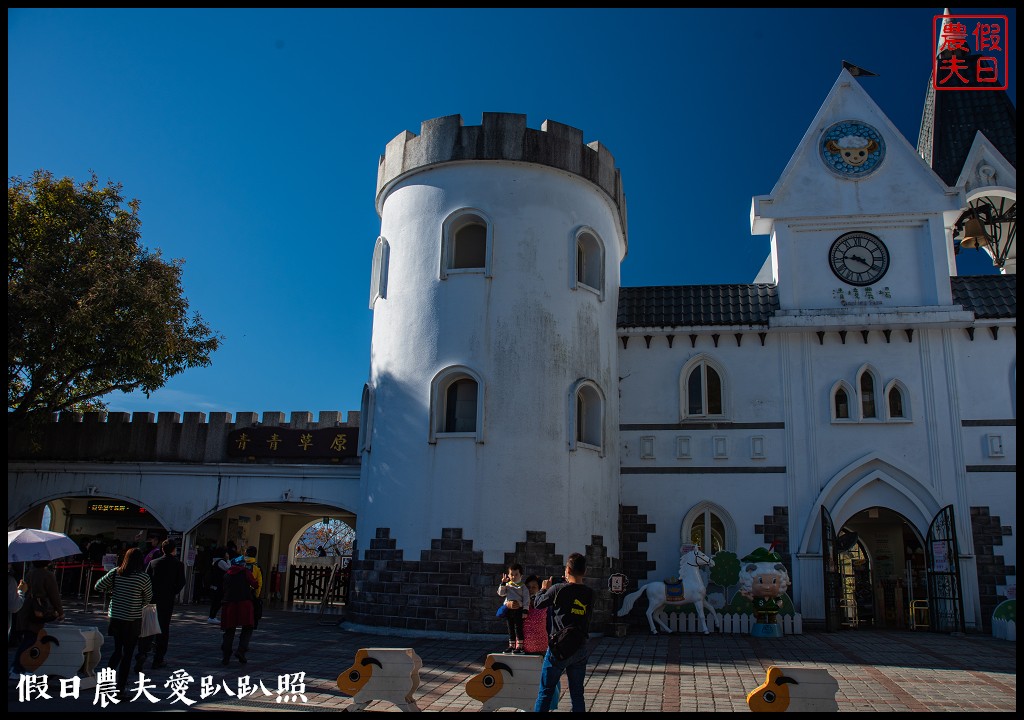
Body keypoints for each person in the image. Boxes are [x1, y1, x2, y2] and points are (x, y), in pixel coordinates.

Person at [533, 552, 594, 712]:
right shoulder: (590, 593)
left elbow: (538, 604)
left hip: (558, 648)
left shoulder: (558, 589)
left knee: (545, 692)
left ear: (567, 570)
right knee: (577, 694)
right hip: (580, 646)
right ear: (585, 571)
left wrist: (543, 589)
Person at [94, 547, 153, 695]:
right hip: (132, 618)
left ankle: (106, 682)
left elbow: (98, 586)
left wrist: (112, 591)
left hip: (116, 617)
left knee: (117, 650)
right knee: (128, 653)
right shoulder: (143, 577)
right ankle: (120, 687)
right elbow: (148, 598)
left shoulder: (115, 573)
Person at [134, 539, 186, 671]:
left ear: (162, 549)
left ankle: (142, 653)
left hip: (151, 599)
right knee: (163, 629)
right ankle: (158, 658)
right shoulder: (178, 564)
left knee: (147, 629)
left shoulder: (153, 562)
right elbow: (181, 582)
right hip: (166, 600)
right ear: (174, 550)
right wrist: (172, 592)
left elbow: (146, 580)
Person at [12, 560, 64, 676]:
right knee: (30, 639)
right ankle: (18, 667)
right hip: (38, 609)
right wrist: (60, 612)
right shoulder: (48, 575)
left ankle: (18, 667)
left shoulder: (30, 573)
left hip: (26, 608)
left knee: (28, 638)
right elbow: (54, 594)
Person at [522, 574, 560, 708]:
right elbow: (501, 613)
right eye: (528, 587)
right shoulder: (519, 604)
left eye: (534, 587)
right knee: (525, 682)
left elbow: (550, 625)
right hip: (523, 649)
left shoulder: (544, 606)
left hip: (541, 650)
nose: (531, 590)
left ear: (539, 589)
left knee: (543, 681)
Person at [220, 555, 257, 666]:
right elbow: (255, 584)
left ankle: (226, 656)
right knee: (247, 628)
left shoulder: (227, 574)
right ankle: (241, 650)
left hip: (229, 603)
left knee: (229, 630)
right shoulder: (245, 572)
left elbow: (224, 589)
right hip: (244, 603)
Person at [497, 562, 530, 654]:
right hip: (508, 610)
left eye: (516, 574)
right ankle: (511, 645)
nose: (513, 577)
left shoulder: (523, 587)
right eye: (512, 574)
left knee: (518, 628)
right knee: (510, 628)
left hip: (518, 610)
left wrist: (525, 610)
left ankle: (520, 646)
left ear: (521, 576)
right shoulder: (507, 585)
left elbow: (526, 600)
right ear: (508, 575)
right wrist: (503, 583)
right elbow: (501, 593)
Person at [206, 547, 231, 623]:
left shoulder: (215, 561)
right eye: (226, 553)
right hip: (219, 584)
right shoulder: (221, 561)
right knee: (218, 601)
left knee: (215, 601)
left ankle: (212, 616)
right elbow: (228, 569)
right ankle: (212, 617)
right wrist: (228, 560)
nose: (227, 554)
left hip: (215, 584)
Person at [243, 546, 264, 630]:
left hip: (240, 589)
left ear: (246, 553)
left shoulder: (240, 563)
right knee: (254, 608)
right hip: (251, 590)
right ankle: (252, 624)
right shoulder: (257, 566)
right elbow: (259, 582)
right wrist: (257, 594)